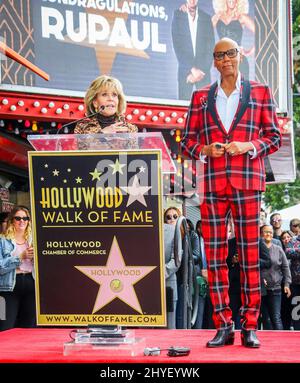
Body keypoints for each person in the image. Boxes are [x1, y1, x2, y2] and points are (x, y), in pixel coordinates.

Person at [182, 37, 281, 348]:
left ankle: (250, 325)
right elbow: (186, 141)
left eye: (230, 53)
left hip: (248, 182)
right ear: (213, 61)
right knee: (214, 257)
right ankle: (223, 324)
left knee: (251, 256)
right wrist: (204, 149)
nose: (225, 59)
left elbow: (274, 137)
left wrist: (249, 146)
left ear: (240, 56)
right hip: (211, 184)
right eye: (219, 55)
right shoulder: (200, 97)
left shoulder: (260, 93)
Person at [0, 206, 35, 331]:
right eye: (18, 218)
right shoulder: (2, 240)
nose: (22, 221)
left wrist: (34, 259)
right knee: (5, 325)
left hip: (31, 282)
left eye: (26, 218)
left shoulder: (34, 240)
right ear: (11, 221)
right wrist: (21, 257)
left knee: (29, 326)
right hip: (8, 286)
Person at [171, 0, 215, 100]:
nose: (192, 0)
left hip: (203, 73)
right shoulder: (178, 15)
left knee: (205, 111)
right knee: (183, 109)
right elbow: (177, 46)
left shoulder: (206, 18)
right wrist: (191, 69)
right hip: (185, 72)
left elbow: (210, 46)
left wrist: (201, 71)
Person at [211, 0, 255, 79]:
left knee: (242, 90)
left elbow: (259, 32)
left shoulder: (241, 17)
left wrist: (250, 51)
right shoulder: (217, 17)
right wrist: (187, 10)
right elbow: (203, 34)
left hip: (239, 62)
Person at [260, 225, 291, 330]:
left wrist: (287, 284)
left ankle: (280, 343)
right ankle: (267, 344)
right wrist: (259, 279)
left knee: (276, 317)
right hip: (261, 290)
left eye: (270, 232)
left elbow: (285, 268)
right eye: (266, 232)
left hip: (276, 288)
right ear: (260, 234)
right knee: (265, 319)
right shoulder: (256, 250)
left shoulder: (278, 249)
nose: (268, 234)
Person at [285, 233, 300, 330]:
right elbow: (288, 252)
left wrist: (297, 251)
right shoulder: (293, 240)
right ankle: (297, 330)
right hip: (296, 282)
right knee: (296, 309)